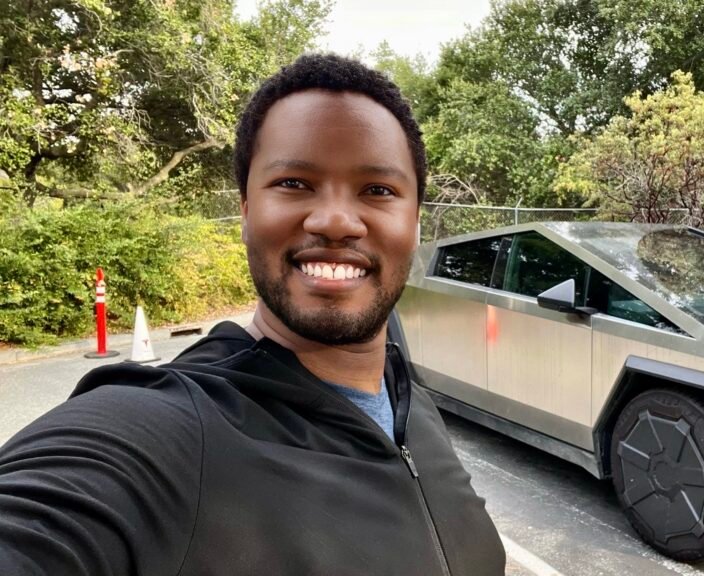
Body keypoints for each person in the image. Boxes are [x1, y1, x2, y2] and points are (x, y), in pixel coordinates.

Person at [0, 53, 505, 576]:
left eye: (378, 190)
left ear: (415, 223)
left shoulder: (412, 407)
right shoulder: (168, 433)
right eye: (294, 182)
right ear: (245, 211)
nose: (334, 221)